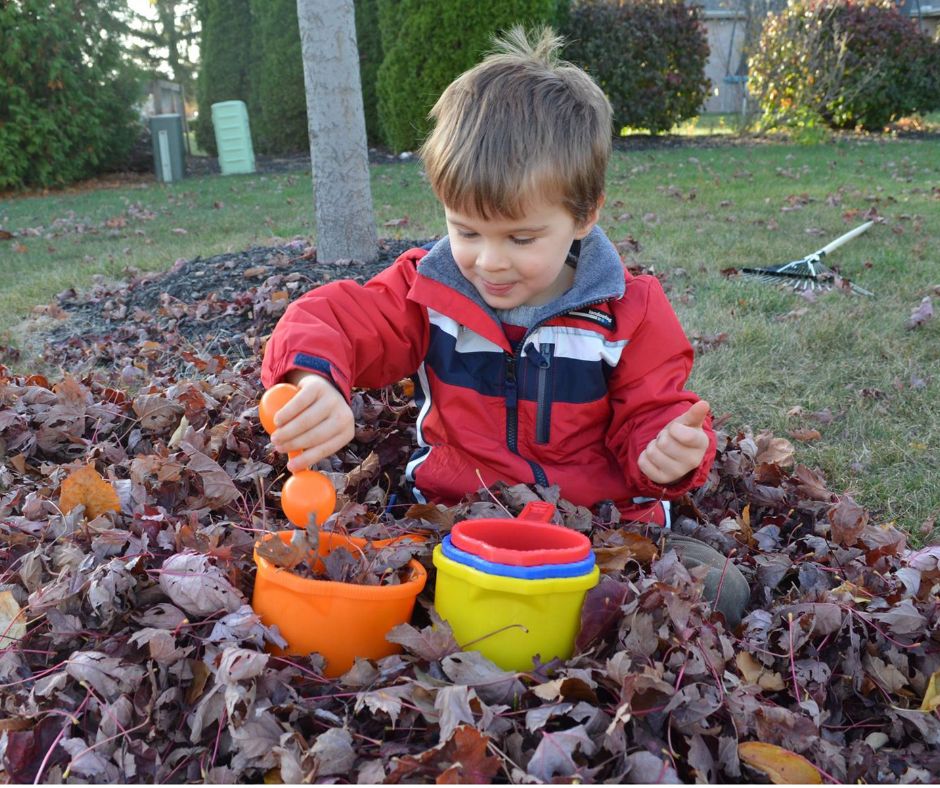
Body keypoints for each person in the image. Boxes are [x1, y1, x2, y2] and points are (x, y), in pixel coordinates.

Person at [261, 27, 749, 626]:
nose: (489, 262)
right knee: (372, 585)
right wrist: (318, 382)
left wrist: (665, 452)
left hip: (598, 527)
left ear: (584, 215)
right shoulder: (428, 291)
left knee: (716, 593)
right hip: (456, 517)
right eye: (465, 231)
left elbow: (654, 412)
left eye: (520, 238)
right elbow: (330, 318)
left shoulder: (630, 312)